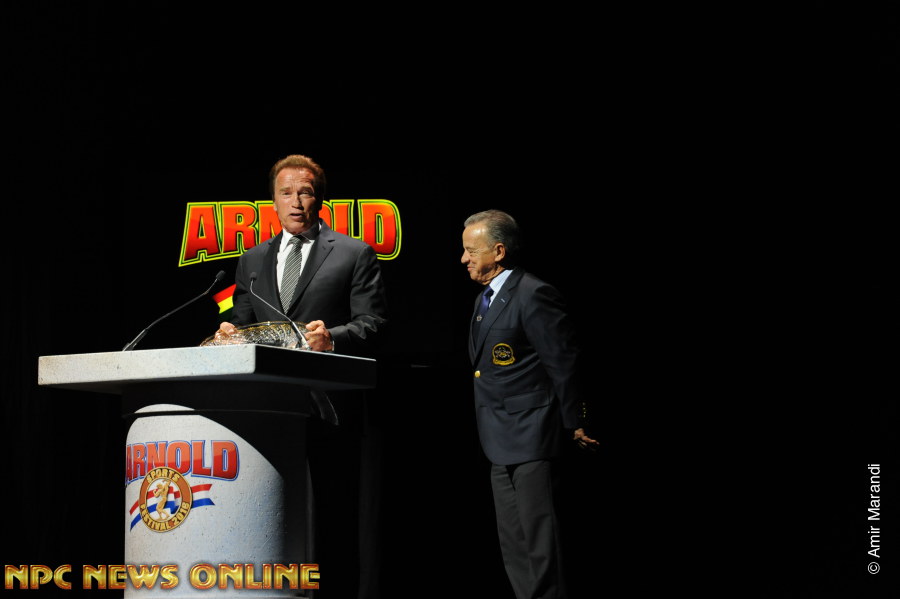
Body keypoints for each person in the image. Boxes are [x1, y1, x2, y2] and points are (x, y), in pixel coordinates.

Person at [215, 154, 388, 599]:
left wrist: (333, 338)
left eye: (305, 192)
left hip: (331, 408)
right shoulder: (252, 258)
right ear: (272, 201)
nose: (296, 201)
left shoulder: (353, 253)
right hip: (267, 410)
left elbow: (373, 324)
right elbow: (245, 324)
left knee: (333, 516)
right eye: (287, 192)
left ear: (320, 199)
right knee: (271, 511)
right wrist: (229, 333)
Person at [461, 209, 598, 599]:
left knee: (540, 542)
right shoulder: (485, 299)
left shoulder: (533, 293)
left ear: (498, 251)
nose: (464, 258)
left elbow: (564, 361)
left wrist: (577, 420)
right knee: (514, 543)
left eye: (471, 250)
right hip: (498, 437)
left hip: (534, 433)